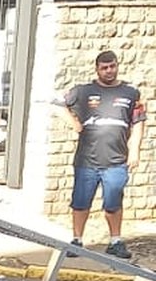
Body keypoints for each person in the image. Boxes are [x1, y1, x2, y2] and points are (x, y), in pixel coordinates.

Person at [62, 49, 146, 259]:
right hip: (87, 160)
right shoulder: (83, 91)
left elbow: (138, 122)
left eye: (112, 66)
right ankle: (77, 241)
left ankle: (115, 241)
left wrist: (134, 151)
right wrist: (74, 123)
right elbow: (57, 103)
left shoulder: (131, 93)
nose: (109, 71)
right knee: (81, 201)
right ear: (97, 69)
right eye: (104, 68)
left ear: (117, 66)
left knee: (113, 202)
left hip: (116, 161)